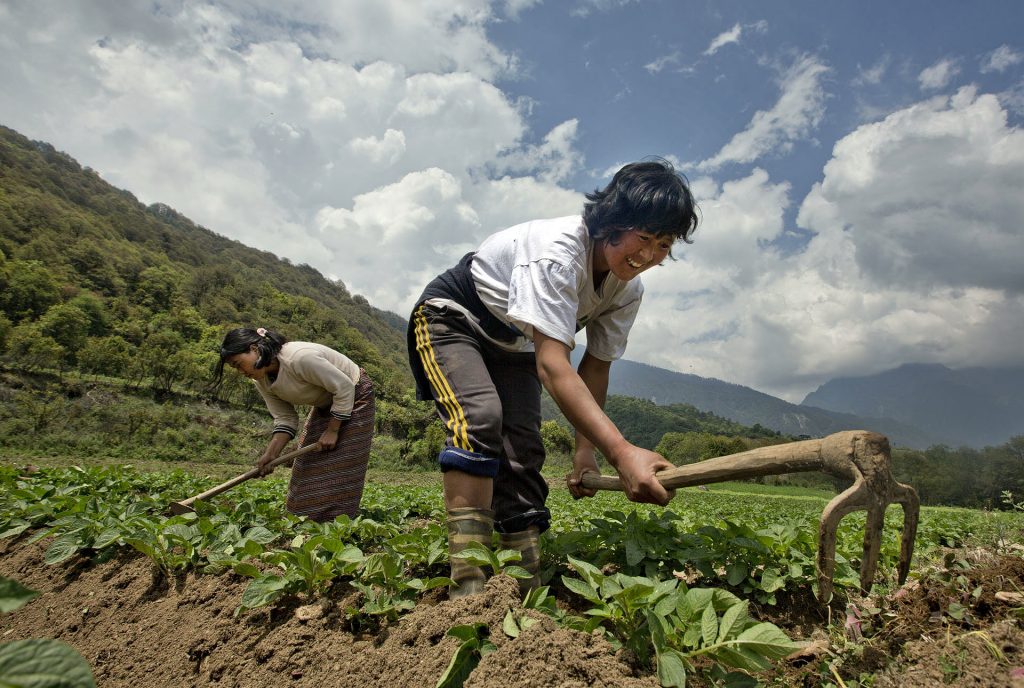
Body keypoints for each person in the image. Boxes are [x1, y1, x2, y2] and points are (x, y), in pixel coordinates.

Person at [406, 159, 699, 597]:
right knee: (480, 418)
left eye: (663, 245)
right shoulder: (557, 253)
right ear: (613, 223)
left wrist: (587, 452)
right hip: (453, 321)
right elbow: (553, 364)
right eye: (643, 238)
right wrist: (621, 452)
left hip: (515, 345)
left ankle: (523, 584)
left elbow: (595, 366)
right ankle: (468, 587)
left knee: (523, 450)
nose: (647, 256)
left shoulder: (626, 291)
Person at [214, 327, 375, 522]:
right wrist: (271, 454)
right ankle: (305, 519)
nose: (241, 372)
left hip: (356, 395)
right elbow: (285, 418)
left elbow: (344, 387)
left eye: (239, 364)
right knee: (305, 466)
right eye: (235, 368)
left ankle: (336, 523)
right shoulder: (262, 379)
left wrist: (333, 429)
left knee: (341, 464)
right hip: (325, 404)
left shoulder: (299, 358)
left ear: (255, 349)